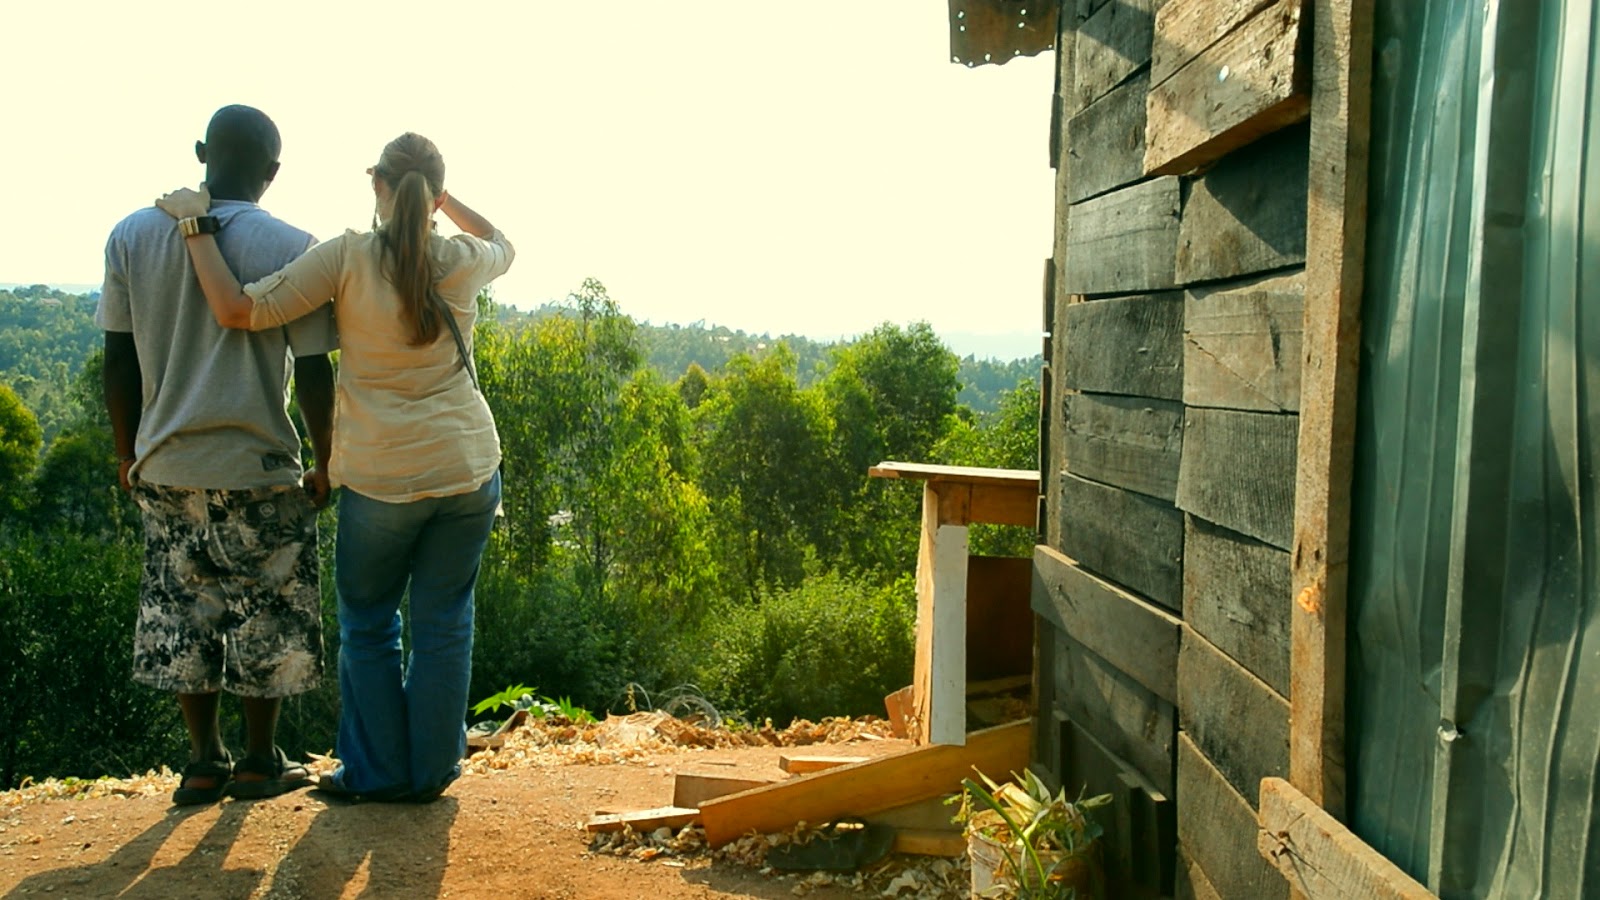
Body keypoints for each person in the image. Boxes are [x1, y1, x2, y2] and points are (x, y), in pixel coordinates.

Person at [154, 132, 512, 803]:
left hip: (382, 478)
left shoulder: (347, 258)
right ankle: (430, 773)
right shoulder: (462, 259)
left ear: (377, 183)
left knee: (370, 624)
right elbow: (502, 240)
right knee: (445, 622)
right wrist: (440, 198)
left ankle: (378, 774)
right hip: (468, 469)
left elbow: (237, 310)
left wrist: (196, 228)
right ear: (436, 197)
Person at [98, 104, 336, 806]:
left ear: (203, 152)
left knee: (184, 615)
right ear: (273, 171)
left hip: (167, 464)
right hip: (257, 464)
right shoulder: (292, 245)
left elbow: (117, 358)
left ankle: (203, 760)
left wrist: (125, 452)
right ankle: (261, 760)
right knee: (268, 614)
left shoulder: (132, 235)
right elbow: (314, 369)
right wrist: (326, 459)